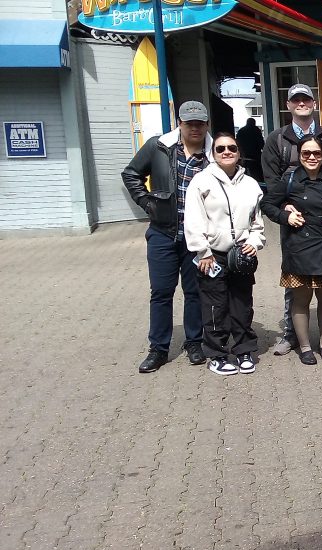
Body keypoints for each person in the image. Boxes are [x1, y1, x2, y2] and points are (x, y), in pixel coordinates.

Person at [123, 100, 213, 373]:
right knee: (161, 292)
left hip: (197, 236)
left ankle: (194, 342)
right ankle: (159, 348)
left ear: (206, 124)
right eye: (190, 123)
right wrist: (147, 203)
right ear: (180, 123)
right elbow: (130, 174)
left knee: (195, 292)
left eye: (200, 123)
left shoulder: (214, 153)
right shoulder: (158, 146)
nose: (195, 128)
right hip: (163, 232)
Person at [262, 83, 322, 356]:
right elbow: (271, 180)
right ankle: (292, 335)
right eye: (295, 100)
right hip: (295, 219)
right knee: (296, 281)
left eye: (306, 99)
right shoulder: (277, 139)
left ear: (314, 103)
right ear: (288, 105)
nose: (301, 103)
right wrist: (286, 207)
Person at [184, 133, 265, 375]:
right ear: (213, 153)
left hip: (241, 254)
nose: (226, 152)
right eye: (221, 149)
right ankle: (217, 353)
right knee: (215, 306)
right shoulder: (201, 181)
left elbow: (257, 222)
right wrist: (203, 251)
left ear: (239, 152)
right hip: (212, 255)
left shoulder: (250, 184)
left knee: (242, 303)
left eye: (232, 148)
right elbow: (193, 219)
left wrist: (254, 241)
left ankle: (244, 349)